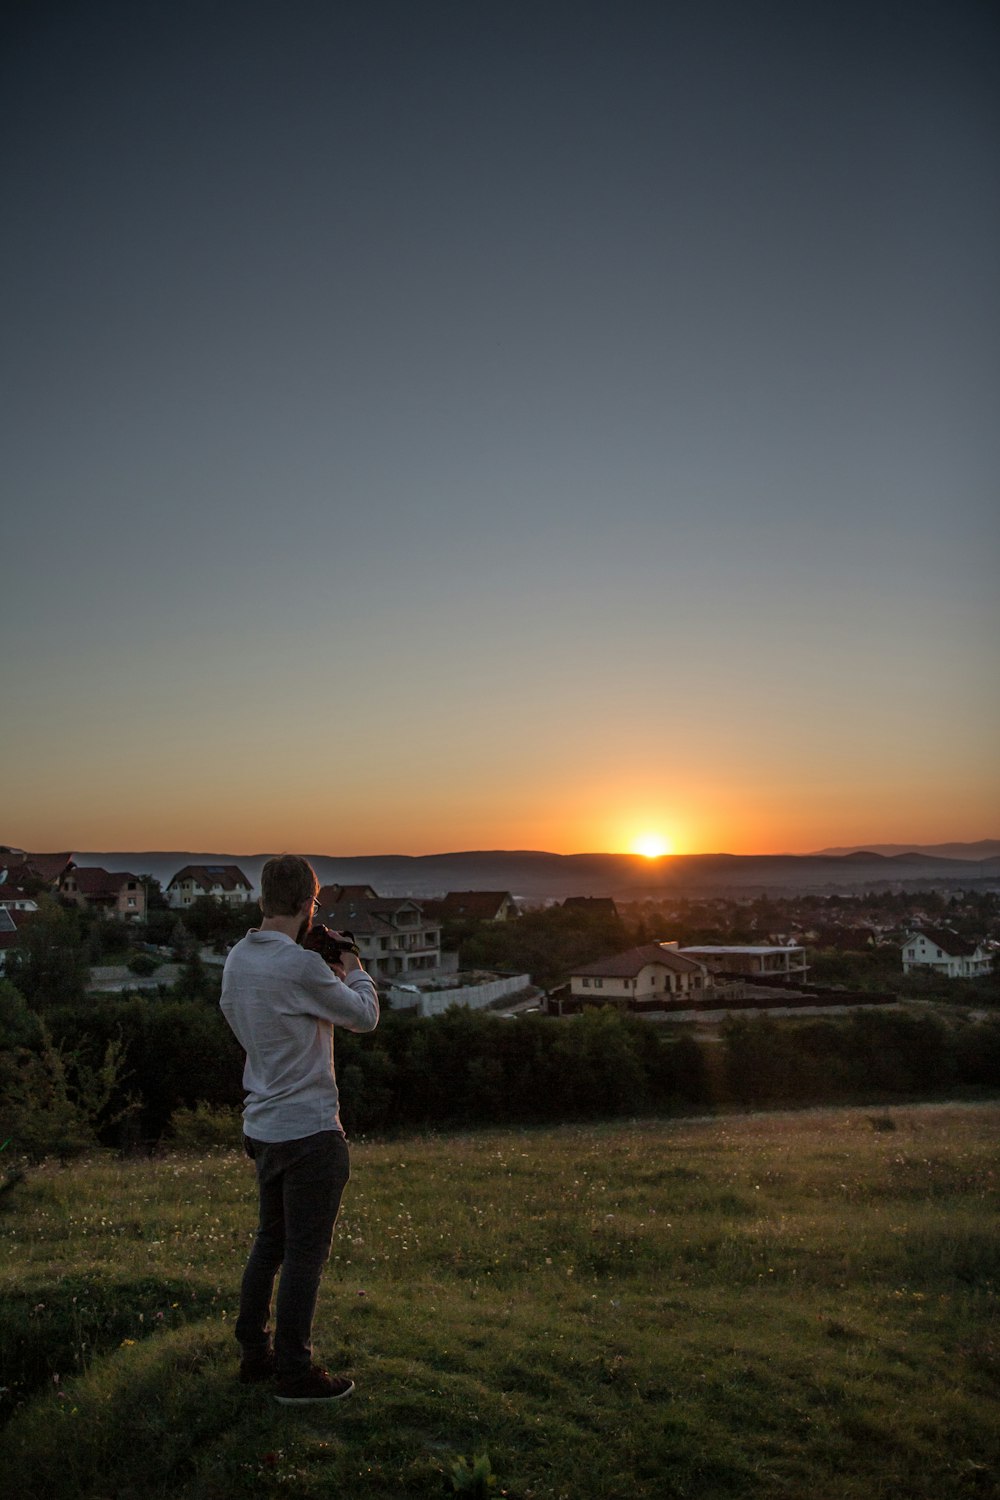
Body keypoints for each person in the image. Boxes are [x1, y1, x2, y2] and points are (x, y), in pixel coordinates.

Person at [220, 854, 379, 1404]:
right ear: (306, 903)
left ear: (265, 898)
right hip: (310, 1130)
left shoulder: (239, 959)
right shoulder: (299, 967)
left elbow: (263, 1016)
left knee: (270, 1244)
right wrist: (352, 966)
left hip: (262, 1123)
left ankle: (253, 1354)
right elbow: (363, 1016)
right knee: (305, 1256)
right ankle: (294, 1373)